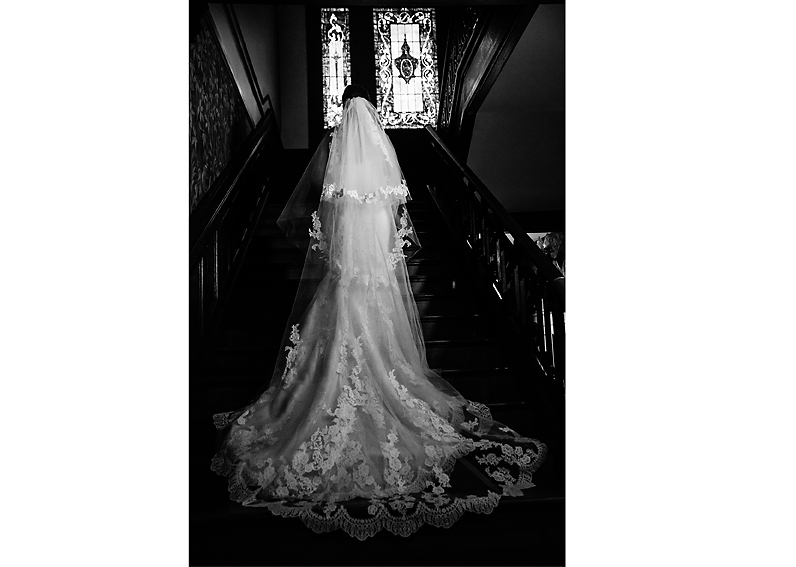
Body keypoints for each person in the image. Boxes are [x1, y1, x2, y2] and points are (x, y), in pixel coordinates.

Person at [211, 85, 546, 539]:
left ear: (343, 116)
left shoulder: (337, 154)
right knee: (383, 348)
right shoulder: (380, 161)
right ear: (371, 118)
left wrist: (335, 254)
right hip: (375, 281)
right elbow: (393, 226)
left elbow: (322, 217)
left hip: (346, 277)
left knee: (329, 339)